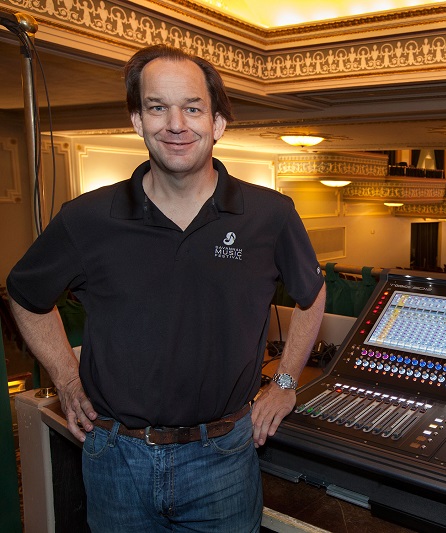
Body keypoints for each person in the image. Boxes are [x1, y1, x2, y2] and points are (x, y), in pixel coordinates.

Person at [7, 44, 326, 532]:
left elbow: (311, 294)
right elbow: (26, 296)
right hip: (116, 459)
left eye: (193, 108)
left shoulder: (271, 215)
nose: (176, 124)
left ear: (217, 123)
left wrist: (285, 383)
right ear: (138, 120)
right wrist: (67, 379)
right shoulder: (86, 219)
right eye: (157, 107)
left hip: (225, 456)